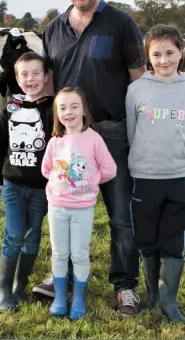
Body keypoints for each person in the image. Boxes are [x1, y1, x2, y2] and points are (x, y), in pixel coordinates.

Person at [32, 0, 147, 316]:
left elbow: (138, 78)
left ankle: (125, 286)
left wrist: (137, 130)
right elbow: (50, 84)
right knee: (63, 208)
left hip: (112, 133)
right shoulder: (53, 29)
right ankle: (59, 277)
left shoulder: (121, 24)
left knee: (120, 215)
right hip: (68, 137)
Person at [125, 24, 185, 324]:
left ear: (181, 52)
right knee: (147, 238)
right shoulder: (136, 90)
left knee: (172, 238)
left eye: (170, 52)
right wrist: (145, 159)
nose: (163, 60)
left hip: (180, 176)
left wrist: (180, 156)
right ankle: (153, 295)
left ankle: (169, 299)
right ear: (148, 56)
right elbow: (133, 132)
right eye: (156, 54)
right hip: (145, 177)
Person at [42, 87, 117, 319]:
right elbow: (46, 169)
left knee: (80, 253)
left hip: (83, 209)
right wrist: (61, 184)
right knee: (59, 252)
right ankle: (61, 297)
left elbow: (109, 170)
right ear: (57, 113)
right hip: (56, 207)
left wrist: (88, 183)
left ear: (84, 110)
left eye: (74, 106)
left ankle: (79, 298)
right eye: (62, 108)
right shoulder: (55, 141)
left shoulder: (94, 139)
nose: (69, 112)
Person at [0, 52, 53, 312]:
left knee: (32, 237)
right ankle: (3, 289)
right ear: (16, 78)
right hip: (13, 184)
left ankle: (20, 285)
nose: (30, 79)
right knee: (14, 235)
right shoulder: (9, 108)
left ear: (46, 76)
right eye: (24, 74)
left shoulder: (52, 109)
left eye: (36, 73)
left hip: (42, 187)